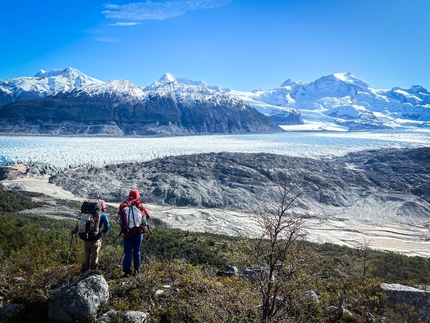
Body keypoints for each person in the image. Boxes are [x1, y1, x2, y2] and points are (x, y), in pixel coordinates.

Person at [118, 189, 151, 277]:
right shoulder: (140, 206)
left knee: (128, 252)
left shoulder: (123, 206)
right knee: (137, 251)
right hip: (139, 233)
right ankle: (137, 270)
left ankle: (127, 271)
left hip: (128, 234)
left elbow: (120, 220)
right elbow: (148, 215)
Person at [72, 199, 110, 272]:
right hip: (95, 239)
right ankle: (93, 271)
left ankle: (84, 270)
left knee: (86, 255)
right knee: (94, 255)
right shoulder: (102, 215)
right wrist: (103, 231)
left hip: (85, 238)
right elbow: (107, 226)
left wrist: (74, 231)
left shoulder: (86, 214)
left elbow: (79, 225)